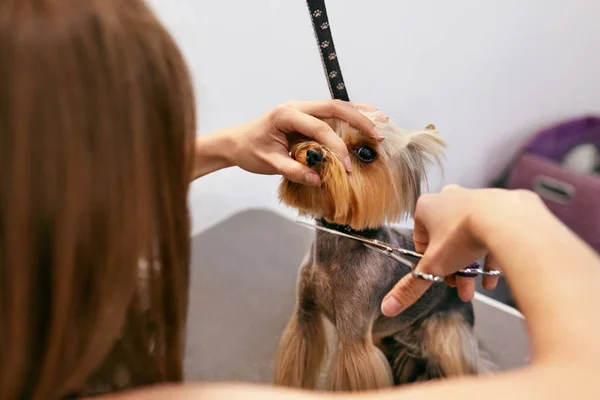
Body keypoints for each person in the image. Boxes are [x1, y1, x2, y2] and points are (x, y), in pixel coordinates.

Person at [0, 1, 599, 399]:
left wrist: (221, 147)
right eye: (151, 135)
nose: (323, 156)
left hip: (437, 314)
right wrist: (512, 212)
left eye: (357, 154)